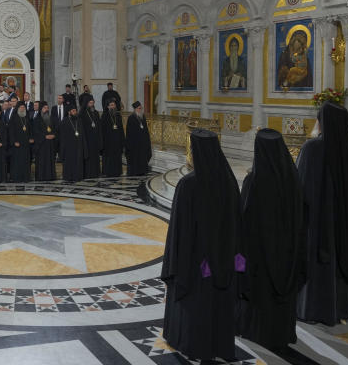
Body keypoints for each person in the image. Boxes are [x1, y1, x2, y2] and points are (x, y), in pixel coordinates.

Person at [162, 129, 242, 361]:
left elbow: (177, 232)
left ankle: (193, 344)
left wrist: (172, 268)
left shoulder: (188, 185)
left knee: (197, 306)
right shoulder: (229, 181)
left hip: (195, 264)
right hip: (223, 262)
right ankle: (220, 344)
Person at [237, 129, 304, 352]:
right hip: (288, 255)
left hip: (260, 258)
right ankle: (283, 332)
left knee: (261, 297)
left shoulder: (253, 182)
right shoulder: (293, 179)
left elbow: (243, 222)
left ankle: (259, 332)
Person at [296, 102, 348, 326]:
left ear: (322, 123)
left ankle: (313, 309)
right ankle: (340, 309)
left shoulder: (311, 149)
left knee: (315, 264)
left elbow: (299, 188)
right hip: (341, 225)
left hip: (315, 223)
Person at [7, 103, 32, 183]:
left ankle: (25, 177)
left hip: (26, 144)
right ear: (17, 109)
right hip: (17, 144)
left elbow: (30, 129)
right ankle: (16, 177)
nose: (22, 109)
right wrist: (14, 141)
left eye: (23, 107)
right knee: (17, 162)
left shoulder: (27, 117)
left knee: (25, 161)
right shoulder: (14, 118)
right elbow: (11, 131)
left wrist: (31, 138)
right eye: (21, 107)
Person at [59, 106, 85, 182]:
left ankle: (78, 176)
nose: (75, 112)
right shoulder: (64, 121)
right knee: (69, 162)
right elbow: (62, 136)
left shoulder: (79, 120)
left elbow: (82, 134)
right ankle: (68, 176)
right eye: (73, 111)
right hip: (68, 147)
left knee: (78, 161)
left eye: (75, 111)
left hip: (78, 145)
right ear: (69, 112)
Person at [126, 101, 152, 175]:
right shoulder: (131, 118)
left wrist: (147, 140)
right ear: (135, 109)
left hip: (142, 143)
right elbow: (129, 133)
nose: (140, 110)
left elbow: (146, 130)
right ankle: (136, 171)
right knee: (136, 158)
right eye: (138, 108)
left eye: (141, 108)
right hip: (135, 144)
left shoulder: (142, 117)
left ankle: (142, 171)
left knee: (142, 157)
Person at [100, 99, 124, 177]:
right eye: (111, 105)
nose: (113, 106)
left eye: (114, 105)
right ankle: (108, 171)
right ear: (108, 107)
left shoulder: (118, 115)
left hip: (117, 141)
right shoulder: (104, 116)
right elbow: (102, 130)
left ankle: (117, 171)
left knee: (117, 157)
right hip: (108, 141)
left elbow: (121, 129)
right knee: (109, 158)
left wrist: (122, 140)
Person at [33, 103, 57, 181]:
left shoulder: (52, 119)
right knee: (42, 161)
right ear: (40, 109)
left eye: (47, 108)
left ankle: (50, 176)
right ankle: (41, 176)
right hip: (41, 145)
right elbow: (36, 132)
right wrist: (44, 136)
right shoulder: (37, 119)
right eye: (44, 108)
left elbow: (56, 129)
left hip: (50, 144)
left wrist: (53, 135)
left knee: (50, 160)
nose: (46, 109)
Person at [80, 98, 102, 179]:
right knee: (88, 157)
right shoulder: (83, 113)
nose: (92, 105)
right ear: (86, 104)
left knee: (95, 157)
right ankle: (88, 173)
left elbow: (99, 126)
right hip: (87, 139)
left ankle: (96, 173)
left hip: (95, 139)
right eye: (90, 103)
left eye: (93, 103)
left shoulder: (96, 113)